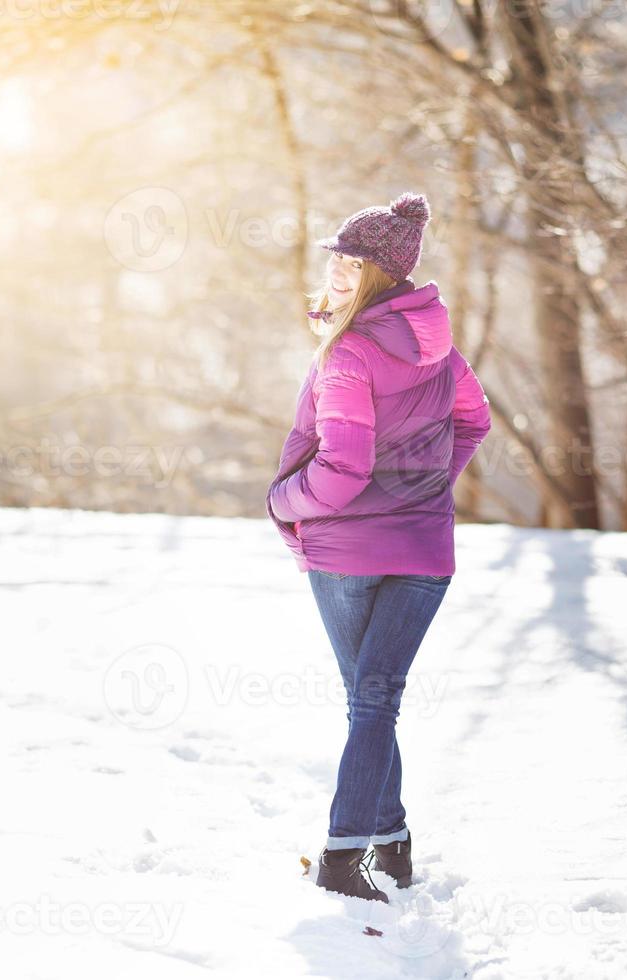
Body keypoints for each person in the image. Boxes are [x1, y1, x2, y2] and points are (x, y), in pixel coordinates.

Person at [265, 192, 492, 903]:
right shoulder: (440, 351)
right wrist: (423, 490)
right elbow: (474, 424)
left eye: (352, 262)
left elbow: (342, 471)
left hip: (349, 550)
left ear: (382, 277)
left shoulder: (349, 354)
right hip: (423, 549)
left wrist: (281, 501)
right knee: (375, 701)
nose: (336, 271)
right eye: (335, 257)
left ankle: (341, 855)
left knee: (369, 702)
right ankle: (391, 842)